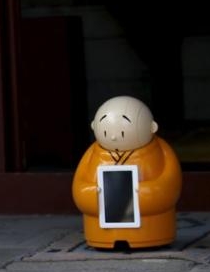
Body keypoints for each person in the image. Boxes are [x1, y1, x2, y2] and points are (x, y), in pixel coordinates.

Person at [72, 95, 182, 249]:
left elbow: (170, 184)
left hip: (152, 227)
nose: (113, 137)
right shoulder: (92, 154)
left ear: (152, 127)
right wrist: (95, 194)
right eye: (105, 131)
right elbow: (80, 188)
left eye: (122, 132)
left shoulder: (161, 151)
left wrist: (144, 192)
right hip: (100, 229)